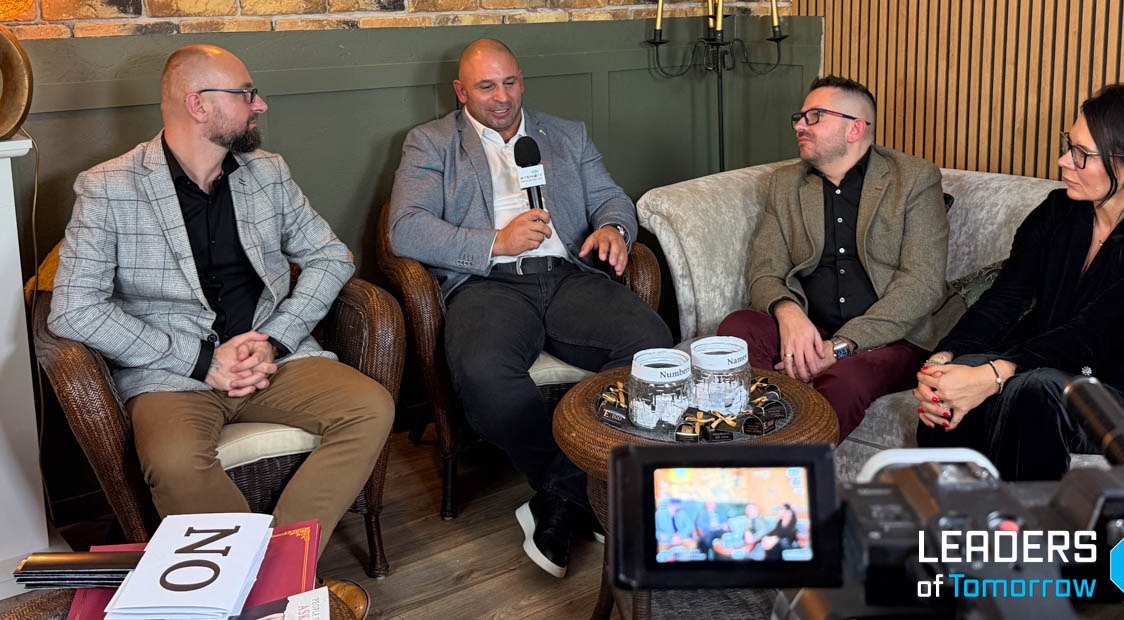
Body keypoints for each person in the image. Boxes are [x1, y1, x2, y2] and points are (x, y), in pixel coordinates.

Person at [48, 45, 393, 620]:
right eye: (246, 93)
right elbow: (73, 309)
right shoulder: (108, 187)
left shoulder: (267, 172)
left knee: (370, 407)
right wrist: (201, 360)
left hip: (271, 358)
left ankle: (268, 582)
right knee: (174, 460)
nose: (260, 105)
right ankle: (269, 591)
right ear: (198, 105)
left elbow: (330, 256)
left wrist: (275, 338)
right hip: (173, 374)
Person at [388, 38, 671, 577]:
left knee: (653, 349)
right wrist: (496, 241)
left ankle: (562, 498)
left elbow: (611, 197)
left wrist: (614, 227)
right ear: (461, 91)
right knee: (483, 372)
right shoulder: (431, 142)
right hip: (486, 284)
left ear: (522, 80)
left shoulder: (566, 134)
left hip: (568, 276)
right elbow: (405, 228)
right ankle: (578, 490)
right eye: (486, 87)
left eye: (510, 82)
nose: (502, 97)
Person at [914, 83, 1124, 480]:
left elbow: (1093, 331)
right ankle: (955, 514)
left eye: (1082, 154)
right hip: (1054, 367)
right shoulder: (1058, 211)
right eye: (1069, 144)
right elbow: (1006, 297)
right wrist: (943, 359)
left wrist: (995, 373)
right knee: (950, 387)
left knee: (1037, 392)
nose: (1064, 160)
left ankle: (1034, 520)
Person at [717, 75, 951, 440]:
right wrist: (789, 314)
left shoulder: (913, 179)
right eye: (799, 117)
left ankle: (782, 468)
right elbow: (764, 271)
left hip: (889, 338)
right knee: (737, 331)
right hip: (813, 324)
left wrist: (842, 346)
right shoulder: (786, 184)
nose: (799, 125)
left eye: (814, 117)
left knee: (845, 380)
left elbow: (922, 284)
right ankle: (753, 438)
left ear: (854, 128)